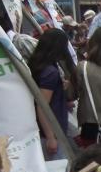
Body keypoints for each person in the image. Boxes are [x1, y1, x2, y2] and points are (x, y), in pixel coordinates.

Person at [28, 29, 80, 161]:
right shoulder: (51, 72)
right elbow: (42, 106)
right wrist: (51, 137)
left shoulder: (42, 66)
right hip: (52, 131)